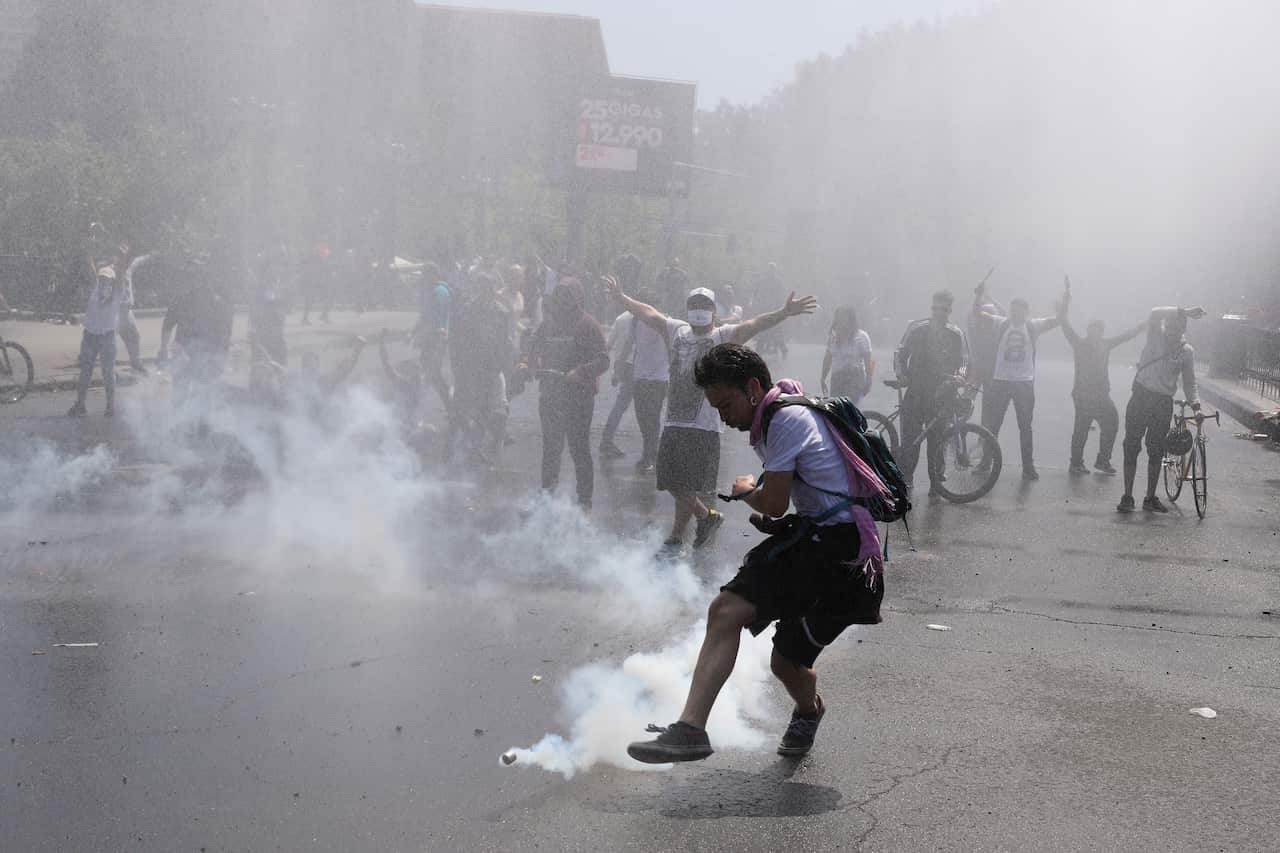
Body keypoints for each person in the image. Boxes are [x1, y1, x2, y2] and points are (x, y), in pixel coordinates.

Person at [626, 343, 886, 763]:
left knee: (761, 640)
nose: (723, 418)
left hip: (842, 553)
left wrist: (748, 491)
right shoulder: (781, 411)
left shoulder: (785, 419)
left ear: (751, 388)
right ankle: (806, 712)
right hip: (828, 543)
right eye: (716, 408)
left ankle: (691, 730)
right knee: (778, 658)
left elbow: (774, 503)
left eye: (725, 405)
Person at [604, 278, 817, 553]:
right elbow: (648, 313)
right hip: (675, 420)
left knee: (684, 483)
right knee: (670, 478)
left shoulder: (722, 336)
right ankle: (701, 520)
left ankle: (680, 534)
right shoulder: (676, 330)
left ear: (714, 311)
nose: (699, 310)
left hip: (704, 425)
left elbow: (754, 325)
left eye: (704, 305)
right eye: (694, 304)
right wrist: (622, 297)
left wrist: (784, 312)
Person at [521, 279, 610, 509]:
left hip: (579, 399)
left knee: (579, 448)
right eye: (560, 295)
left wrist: (581, 372)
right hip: (550, 397)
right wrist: (527, 363)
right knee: (551, 448)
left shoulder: (589, 325)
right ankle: (547, 496)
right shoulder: (548, 324)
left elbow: (604, 360)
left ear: (578, 297)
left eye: (569, 295)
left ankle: (584, 499)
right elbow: (533, 348)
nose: (564, 300)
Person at [973, 283, 1068, 480]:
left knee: (1025, 427)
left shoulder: (1033, 326)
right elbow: (977, 314)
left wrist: (1065, 301)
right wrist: (978, 296)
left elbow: (1059, 320)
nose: (1016, 314)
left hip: (1024, 383)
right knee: (993, 425)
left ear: (1026, 312)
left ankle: (1028, 467)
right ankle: (985, 462)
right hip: (1001, 380)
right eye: (1013, 310)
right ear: (1010, 311)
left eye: (1019, 311)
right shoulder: (1001, 323)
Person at [1117, 305, 1205, 513]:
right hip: (1141, 396)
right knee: (1131, 446)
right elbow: (1154, 313)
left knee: (1156, 450)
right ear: (1166, 325)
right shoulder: (1154, 337)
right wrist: (1184, 310)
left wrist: (1196, 406)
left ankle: (1150, 497)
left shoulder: (1186, 352)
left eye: (1178, 328)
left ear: (1183, 330)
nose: (1173, 331)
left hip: (1162, 402)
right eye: (1171, 326)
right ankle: (1127, 496)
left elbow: (1189, 382)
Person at [1059, 290, 1145, 475]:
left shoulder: (1106, 344)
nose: (1094, 332)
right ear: (1087, 330)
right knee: (1081, 429)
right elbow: (1064, 324)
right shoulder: (1079, 343)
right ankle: (1076, 463)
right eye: (1091, 329)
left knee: (1111, 423)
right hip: (1083, 396)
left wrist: (1143, 325)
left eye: (1097, 329)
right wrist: (1065, 303)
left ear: (1101, 332)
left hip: (1102, 395)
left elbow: (1126, 336)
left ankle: (1102, 460)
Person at [894, 291, 969, 495]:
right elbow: (900, 353)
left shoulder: (956, 333)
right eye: (936, 308)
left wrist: (960, 376)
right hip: (916, 391)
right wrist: (901, 375)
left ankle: (936, 483)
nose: (940, 312)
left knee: (938, 441)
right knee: (910, 439)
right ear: (932, 308)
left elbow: (964, 360)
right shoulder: (917, 328)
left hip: (942, 394)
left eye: (944, 309)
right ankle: (906, 478)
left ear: (950, 310)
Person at [446, 272, 512, 464]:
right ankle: (449, 449)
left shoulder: (501, 313)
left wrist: (501, 364)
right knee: (460, 409)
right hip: (468, 367)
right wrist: (457, 366)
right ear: (478, 289)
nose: (486, 292)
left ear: (494, 290)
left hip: (490, 368)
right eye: (483, 288)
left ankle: (474, 448)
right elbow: (456, 341)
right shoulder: (466, 311)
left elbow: (503, 341)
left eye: (489, 288)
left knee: (484, 410)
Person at [68, 250, 126, 417]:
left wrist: (122, 258)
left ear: (112, 281)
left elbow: (121, 276)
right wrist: (88, 248)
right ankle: (80, 405)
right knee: (85, 372)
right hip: (90, 336)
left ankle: (110, 406)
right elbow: (90, 267)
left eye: (107, 279)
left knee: (108, 372)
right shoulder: (95, 289)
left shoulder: (116, 293)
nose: (103, 281)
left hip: (107, 337)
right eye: (101, 278)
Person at [414, 262, 453, 411]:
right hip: (432, 338)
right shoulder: (433, 291)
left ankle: (450, 403)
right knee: (430, 372)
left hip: (436, 338)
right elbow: (425, 316)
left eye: (426, 274)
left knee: (431, 372)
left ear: (433, 275)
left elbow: (438, 318)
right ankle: (449, 402)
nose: (423, 278)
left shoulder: (439, 292)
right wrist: (414, 332)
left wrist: (436, 336)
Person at [821, 306, 874, 404]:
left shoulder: (862, 337)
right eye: (838, 317)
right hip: (837, 377)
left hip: (854, 377)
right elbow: (828, 358)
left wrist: (869, 380)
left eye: (843, 317)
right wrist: (823, 378)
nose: (840, 321)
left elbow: (868, 360)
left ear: (851, 320)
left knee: (850, 406)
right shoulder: (833, 337)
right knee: (836, 407)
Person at [117, 247, 152, 374]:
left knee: (133, 337)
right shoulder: (112, 270)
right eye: (124, 257)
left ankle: (135, 362)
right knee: (108, 340)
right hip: (116, 310)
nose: (127, 259)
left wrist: (150, 256)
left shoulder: (128, 267)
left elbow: (137, 261)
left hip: (126, 310)